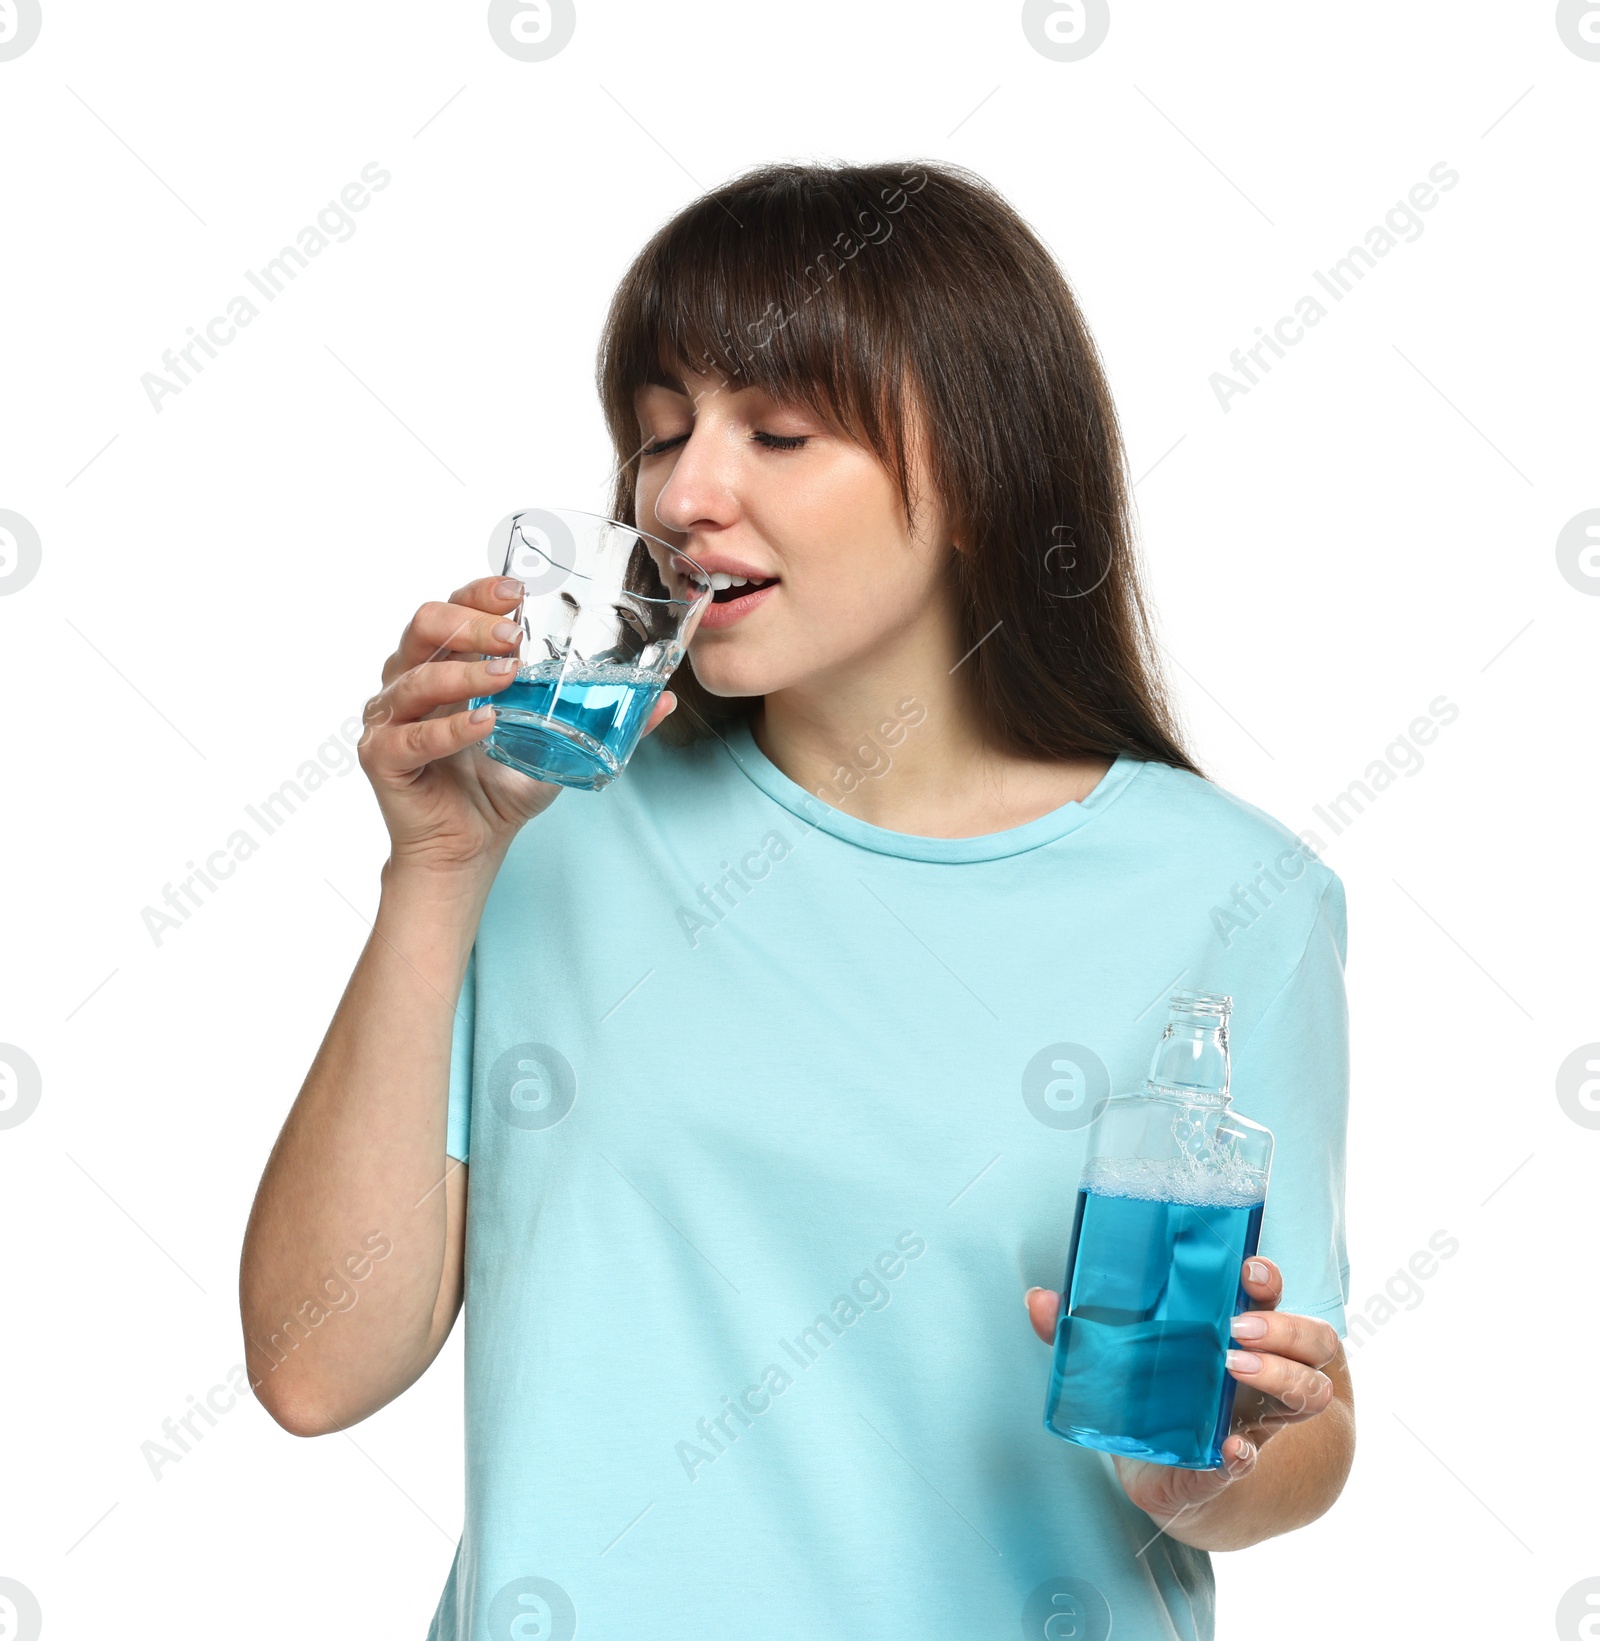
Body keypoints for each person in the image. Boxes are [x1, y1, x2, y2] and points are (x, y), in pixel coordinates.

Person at [239, 160, 1354, 1641]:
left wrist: (1204, 1469)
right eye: (658, 433)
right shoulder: (554, 830)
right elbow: (315, 1366)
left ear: (979, 475)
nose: (685, 496)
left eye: (776, 431)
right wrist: (436, 871)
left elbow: (1289, 1427)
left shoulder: (1227, 893)